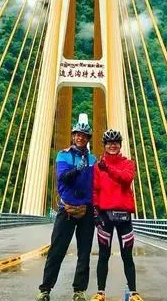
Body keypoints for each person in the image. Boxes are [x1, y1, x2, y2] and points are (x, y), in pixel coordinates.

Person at [37, 116, 97, 301]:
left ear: (88, 139)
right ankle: (45, 289)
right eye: (78, 134)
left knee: (84, 253)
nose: (81, 138)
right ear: (73, 136)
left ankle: (79, 291)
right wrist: (78, 170)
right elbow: (63, 178)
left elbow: (96, 185)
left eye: (84, 135)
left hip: (86, 210)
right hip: (67, 209)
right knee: (57, 250)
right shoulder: (63, 155)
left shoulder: (93, 159)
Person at [90, 129, 143, 301]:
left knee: (127, 255)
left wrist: (109, 169)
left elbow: (127, 179)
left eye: (115, 143)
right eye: (109, 143)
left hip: (124, 216)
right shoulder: (98, 167)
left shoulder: (128, 163)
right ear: (105, 146)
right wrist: (95, 212)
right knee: (103, 255)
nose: (112, 145)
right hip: (105, 215)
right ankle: (100, 293)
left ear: (120, 145)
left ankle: (133, 292)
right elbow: (95, 190)